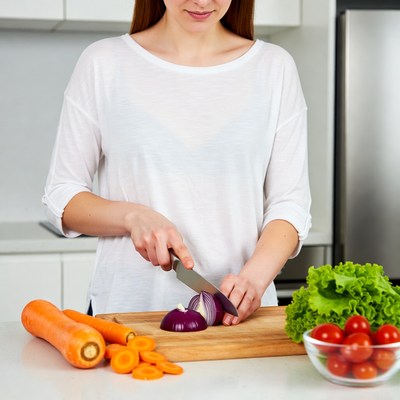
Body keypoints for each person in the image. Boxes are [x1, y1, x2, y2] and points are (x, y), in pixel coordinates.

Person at [42, 0, 312, 326]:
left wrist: (253, 280)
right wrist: (133, 216)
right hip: (127, 319)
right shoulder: (104, 63)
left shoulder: (274, 68)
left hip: (241, 323)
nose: (201, 1)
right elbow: (62, 196)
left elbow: (290, 205)